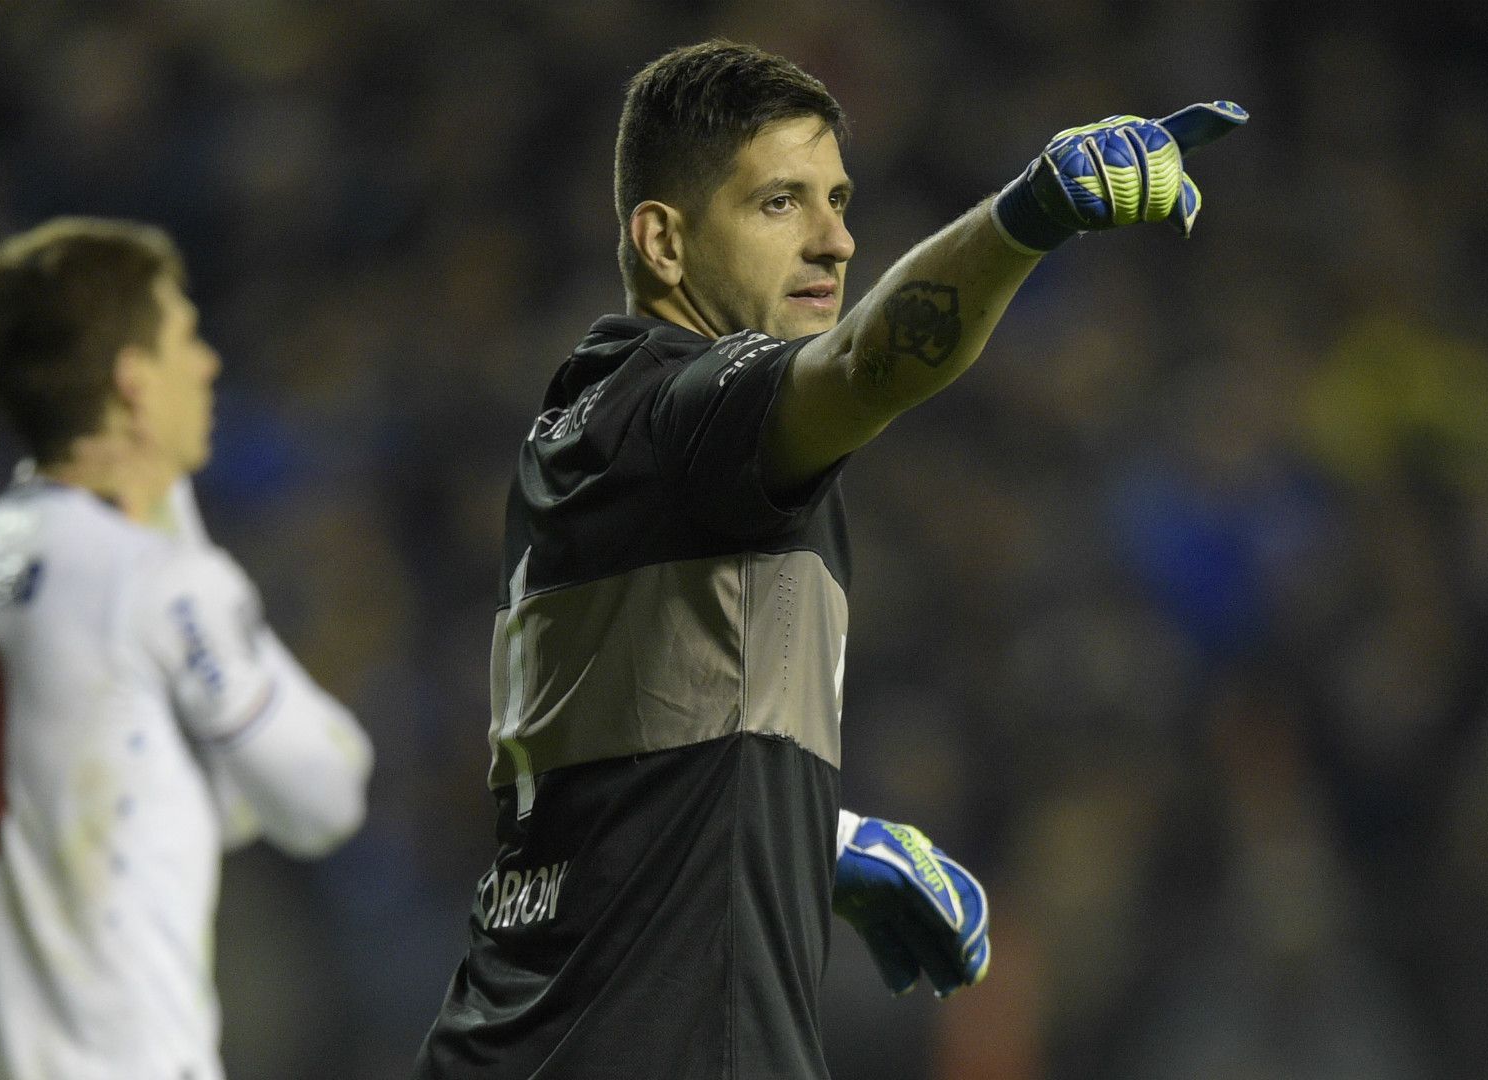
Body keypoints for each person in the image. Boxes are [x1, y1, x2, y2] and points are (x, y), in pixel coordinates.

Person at [414, 40, 1245, 1079]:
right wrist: (1032, 213)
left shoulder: (584, 434)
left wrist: (818, 836)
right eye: (780, 204)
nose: (836, 241)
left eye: (839, 200)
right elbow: (863, 363)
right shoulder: (688, 409)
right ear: (663, 241)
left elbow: (605, 785)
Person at [0, 217, 374, 1080]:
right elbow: (326, 797)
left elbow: (107, 797)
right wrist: (184, 544)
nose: (208, 363)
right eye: (185, 334)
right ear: (134, 381)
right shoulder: (159, 585)